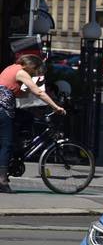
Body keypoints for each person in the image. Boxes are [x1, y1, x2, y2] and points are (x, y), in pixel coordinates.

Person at [0, 55, 66, 193]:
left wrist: (35, 90)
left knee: (24, 120)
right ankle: (2, 181)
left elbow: (22, 94)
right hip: (2, 108)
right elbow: (39, 92)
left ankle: (17, 150)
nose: (34, 74)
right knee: (6, 144)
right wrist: (55, 107)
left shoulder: (12, 68)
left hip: (6, 107)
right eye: (35, 71)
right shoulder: (21, 72)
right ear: (32, 66)